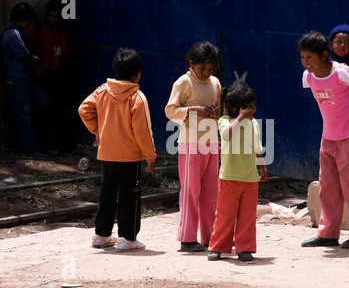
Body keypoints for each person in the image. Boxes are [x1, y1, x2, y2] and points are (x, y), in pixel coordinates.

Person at [298, 31, 349, 249]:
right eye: (302, 57)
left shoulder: (342, 73)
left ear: (324, 55)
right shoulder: (308, 77)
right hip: (328, 138)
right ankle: (328, 234)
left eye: (309, 57)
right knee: (328, 188)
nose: (305, 63)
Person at [78, 48, 156, 252]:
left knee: (107, 193)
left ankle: (101, 235)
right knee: (130, 196)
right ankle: (127, 238)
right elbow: (143, 131)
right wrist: (150, 156)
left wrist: (98, 130)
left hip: (107, 153)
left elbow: (83, 109)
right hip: (130, 157)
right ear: (137, 74)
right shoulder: (137, 98)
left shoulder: (102, 91)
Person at [165, 41, 222, 252]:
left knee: (210, 193)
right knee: (191, 191)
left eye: (210, 68)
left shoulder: (215, 82)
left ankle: (209, 237)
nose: (207, 72)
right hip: (190, 144)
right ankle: (187, 238)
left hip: (211, 143)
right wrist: (194, 110)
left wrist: (216, 112)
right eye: (202, 68)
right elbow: (170, 111)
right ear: (191, 63)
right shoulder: (183, 82)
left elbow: (218, 106)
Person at [207, 84, 268, 262]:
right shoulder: (224, 121)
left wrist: (262, 166)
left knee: (247, 217)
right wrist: (240, 118)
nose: (254, 110)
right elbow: (226, 135)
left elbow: (257, 147)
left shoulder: (254, 123)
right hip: (229, 177)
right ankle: (217, 247)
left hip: (250, 178)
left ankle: (245, 248)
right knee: (225, 215)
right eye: (250, 107)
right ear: (237, 109)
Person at [2, 2, 57, 157]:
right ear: (22, 19)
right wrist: (37, 61)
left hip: (23, 78)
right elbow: (25, 57)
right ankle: (29, 148)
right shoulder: (12, 34)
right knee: (24, 113)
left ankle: (12, 114)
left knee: (42, 103)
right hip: (16, 78)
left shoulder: (17, 33)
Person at [26, 0, 76, 153]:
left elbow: (66, 50)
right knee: (46, 109)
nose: (53, 19)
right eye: (51, 16)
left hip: (57, 73)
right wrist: (35, 67)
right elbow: (27, 49)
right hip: (42, 74)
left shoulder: (62, 30)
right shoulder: (38, 28)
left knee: (62, 109)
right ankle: (50, 145)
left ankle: (66, 145)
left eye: (56, 17)